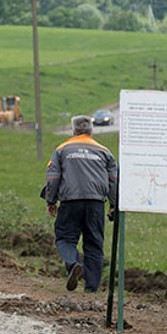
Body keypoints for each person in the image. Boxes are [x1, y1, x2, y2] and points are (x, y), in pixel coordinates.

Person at [42, 115, 117, 292]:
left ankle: (73, 263)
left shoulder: (62, 150)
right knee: (94, 245)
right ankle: (91, 289)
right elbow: (113, 180)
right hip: (96, 203)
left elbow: (53, 178)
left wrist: (50, 201)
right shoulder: (105, 151)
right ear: (91, 131)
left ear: (74, 131)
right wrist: (114, 204)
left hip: (70, 202)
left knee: (65, 238)